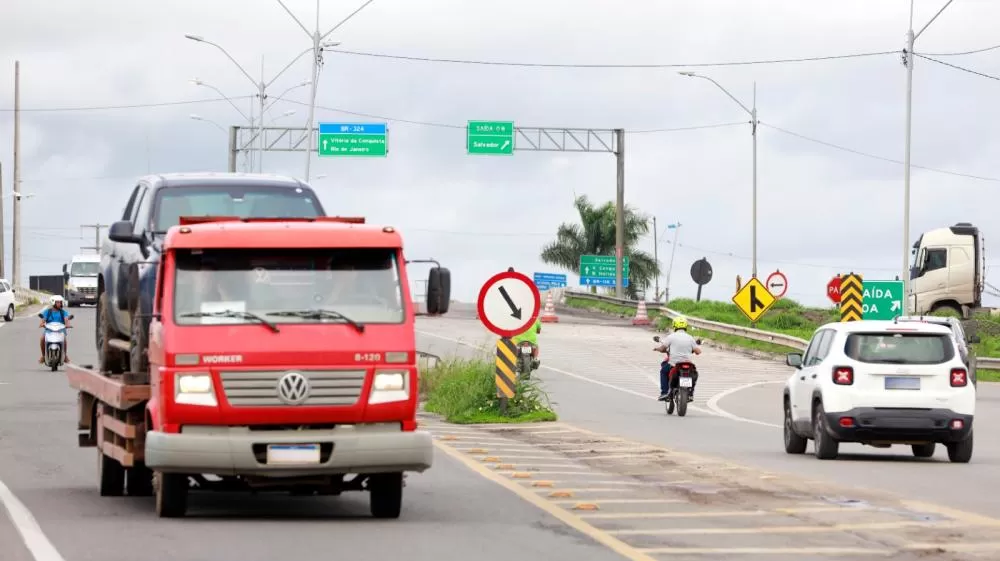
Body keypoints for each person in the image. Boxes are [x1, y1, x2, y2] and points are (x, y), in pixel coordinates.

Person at [654, 316, 701, 402]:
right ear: (686, 326)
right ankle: (690, 394)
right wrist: (691, 350)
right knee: (695, 374)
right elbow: (698, 352)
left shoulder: (671, 337)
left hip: (674, 364)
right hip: (688, 363)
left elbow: (663, 348)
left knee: (663, 371)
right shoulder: (690, 337)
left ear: (674, 325)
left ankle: (664, 392)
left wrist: (657, 349)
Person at [38, 295, 72, 363]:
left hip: (60, 330)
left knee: (64, 340)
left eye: (60, 302)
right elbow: (43, 320)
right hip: (49, 330)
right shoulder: (47, 312)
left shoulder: (63, 312)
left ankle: (65, 356)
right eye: (58, 302)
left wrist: (67, 324)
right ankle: (43, 356)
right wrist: (42, 324)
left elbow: (66, 319)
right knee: (42, 339)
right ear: (53, 302)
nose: (60, 304)